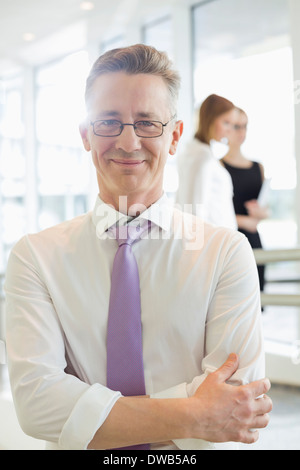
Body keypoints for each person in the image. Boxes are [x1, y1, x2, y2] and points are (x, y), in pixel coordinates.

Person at [4, 44, 272, 451]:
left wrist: (84, 414)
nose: (128, 143)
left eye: (147, 123)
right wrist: (198, 413)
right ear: (85, 135)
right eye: (109, 122)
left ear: (176, 136)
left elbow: (237, 398)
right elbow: (37, 404)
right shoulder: (35, 256)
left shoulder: (225, 254)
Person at [221, 107, 268, 291]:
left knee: (258, 301)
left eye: (245, 126)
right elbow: (214, 212)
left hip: (255, 241)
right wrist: (243, 221)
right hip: (231, 240)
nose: (242, 132)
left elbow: (265, 208)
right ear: (226, 128)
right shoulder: (218, 167)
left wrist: (261, 213)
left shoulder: (258, 167)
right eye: (236, 126)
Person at [176, 94, 237, 229]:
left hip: (217, 241)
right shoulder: (202, 158)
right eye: (226, 122)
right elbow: (195, 210)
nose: (229, 130)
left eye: (232, 125)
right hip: (212, 243)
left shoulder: (196, 153)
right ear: (210, 120)